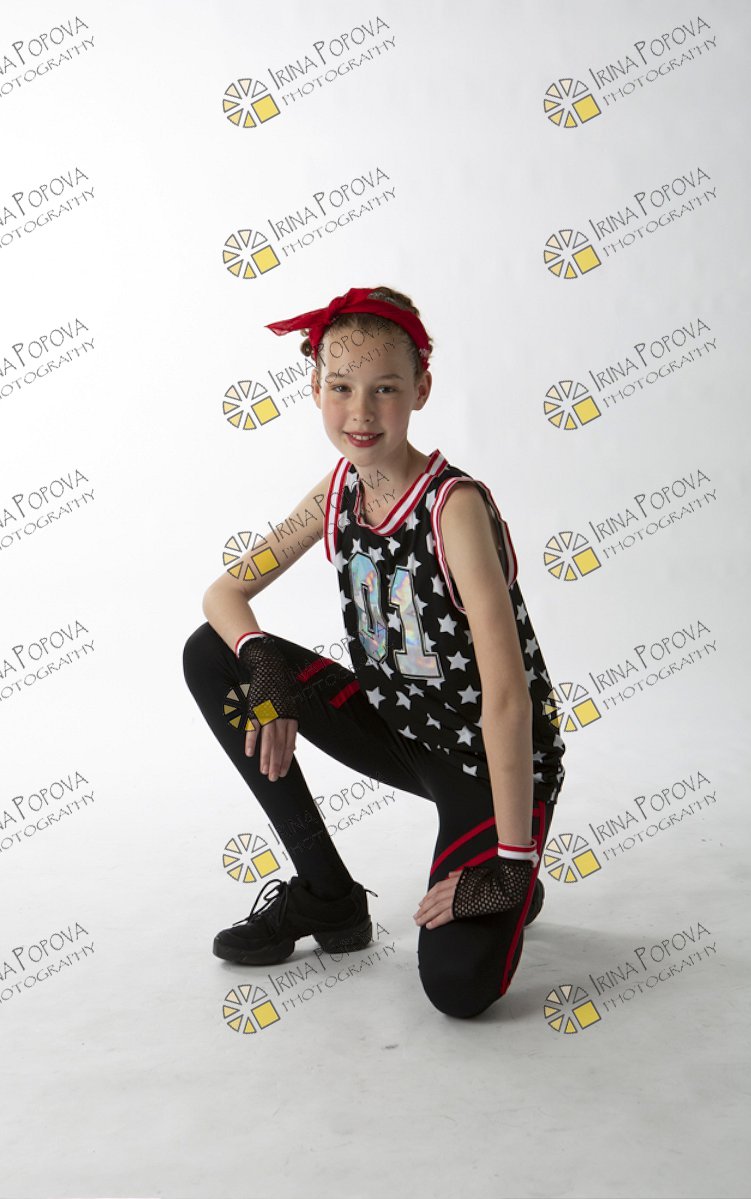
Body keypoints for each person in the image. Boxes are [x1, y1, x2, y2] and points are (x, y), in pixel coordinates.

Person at [182, 286, 566, 1019]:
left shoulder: (454, 507)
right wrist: (264, 669)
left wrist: (509, 868)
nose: (360, 411)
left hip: (488, 761)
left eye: (385, 388)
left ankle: (516, 864)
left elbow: (508, 698)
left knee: (458, 989)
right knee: (214, 655)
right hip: (399, 728)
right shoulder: (338, 492)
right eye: (341, 387)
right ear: (315, 389)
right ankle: (327, 895)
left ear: (421, 389)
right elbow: (223, 594)